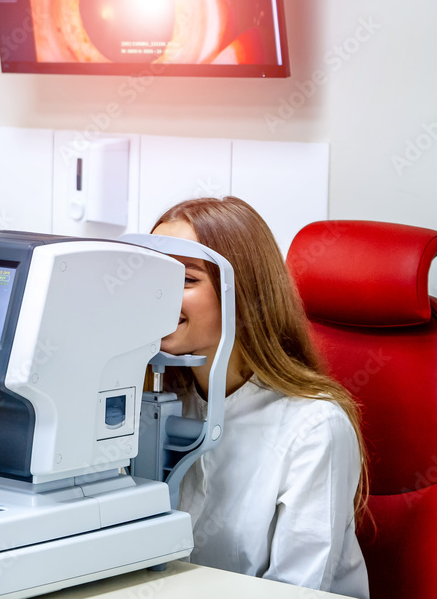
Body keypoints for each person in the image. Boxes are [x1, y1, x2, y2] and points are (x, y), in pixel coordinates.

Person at [150, 197, 370, 598]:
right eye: (152, 274)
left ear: (242, 296)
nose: (158, 294)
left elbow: (296, 591)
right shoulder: (153, 399)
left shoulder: (313, 426)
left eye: (186, 279)